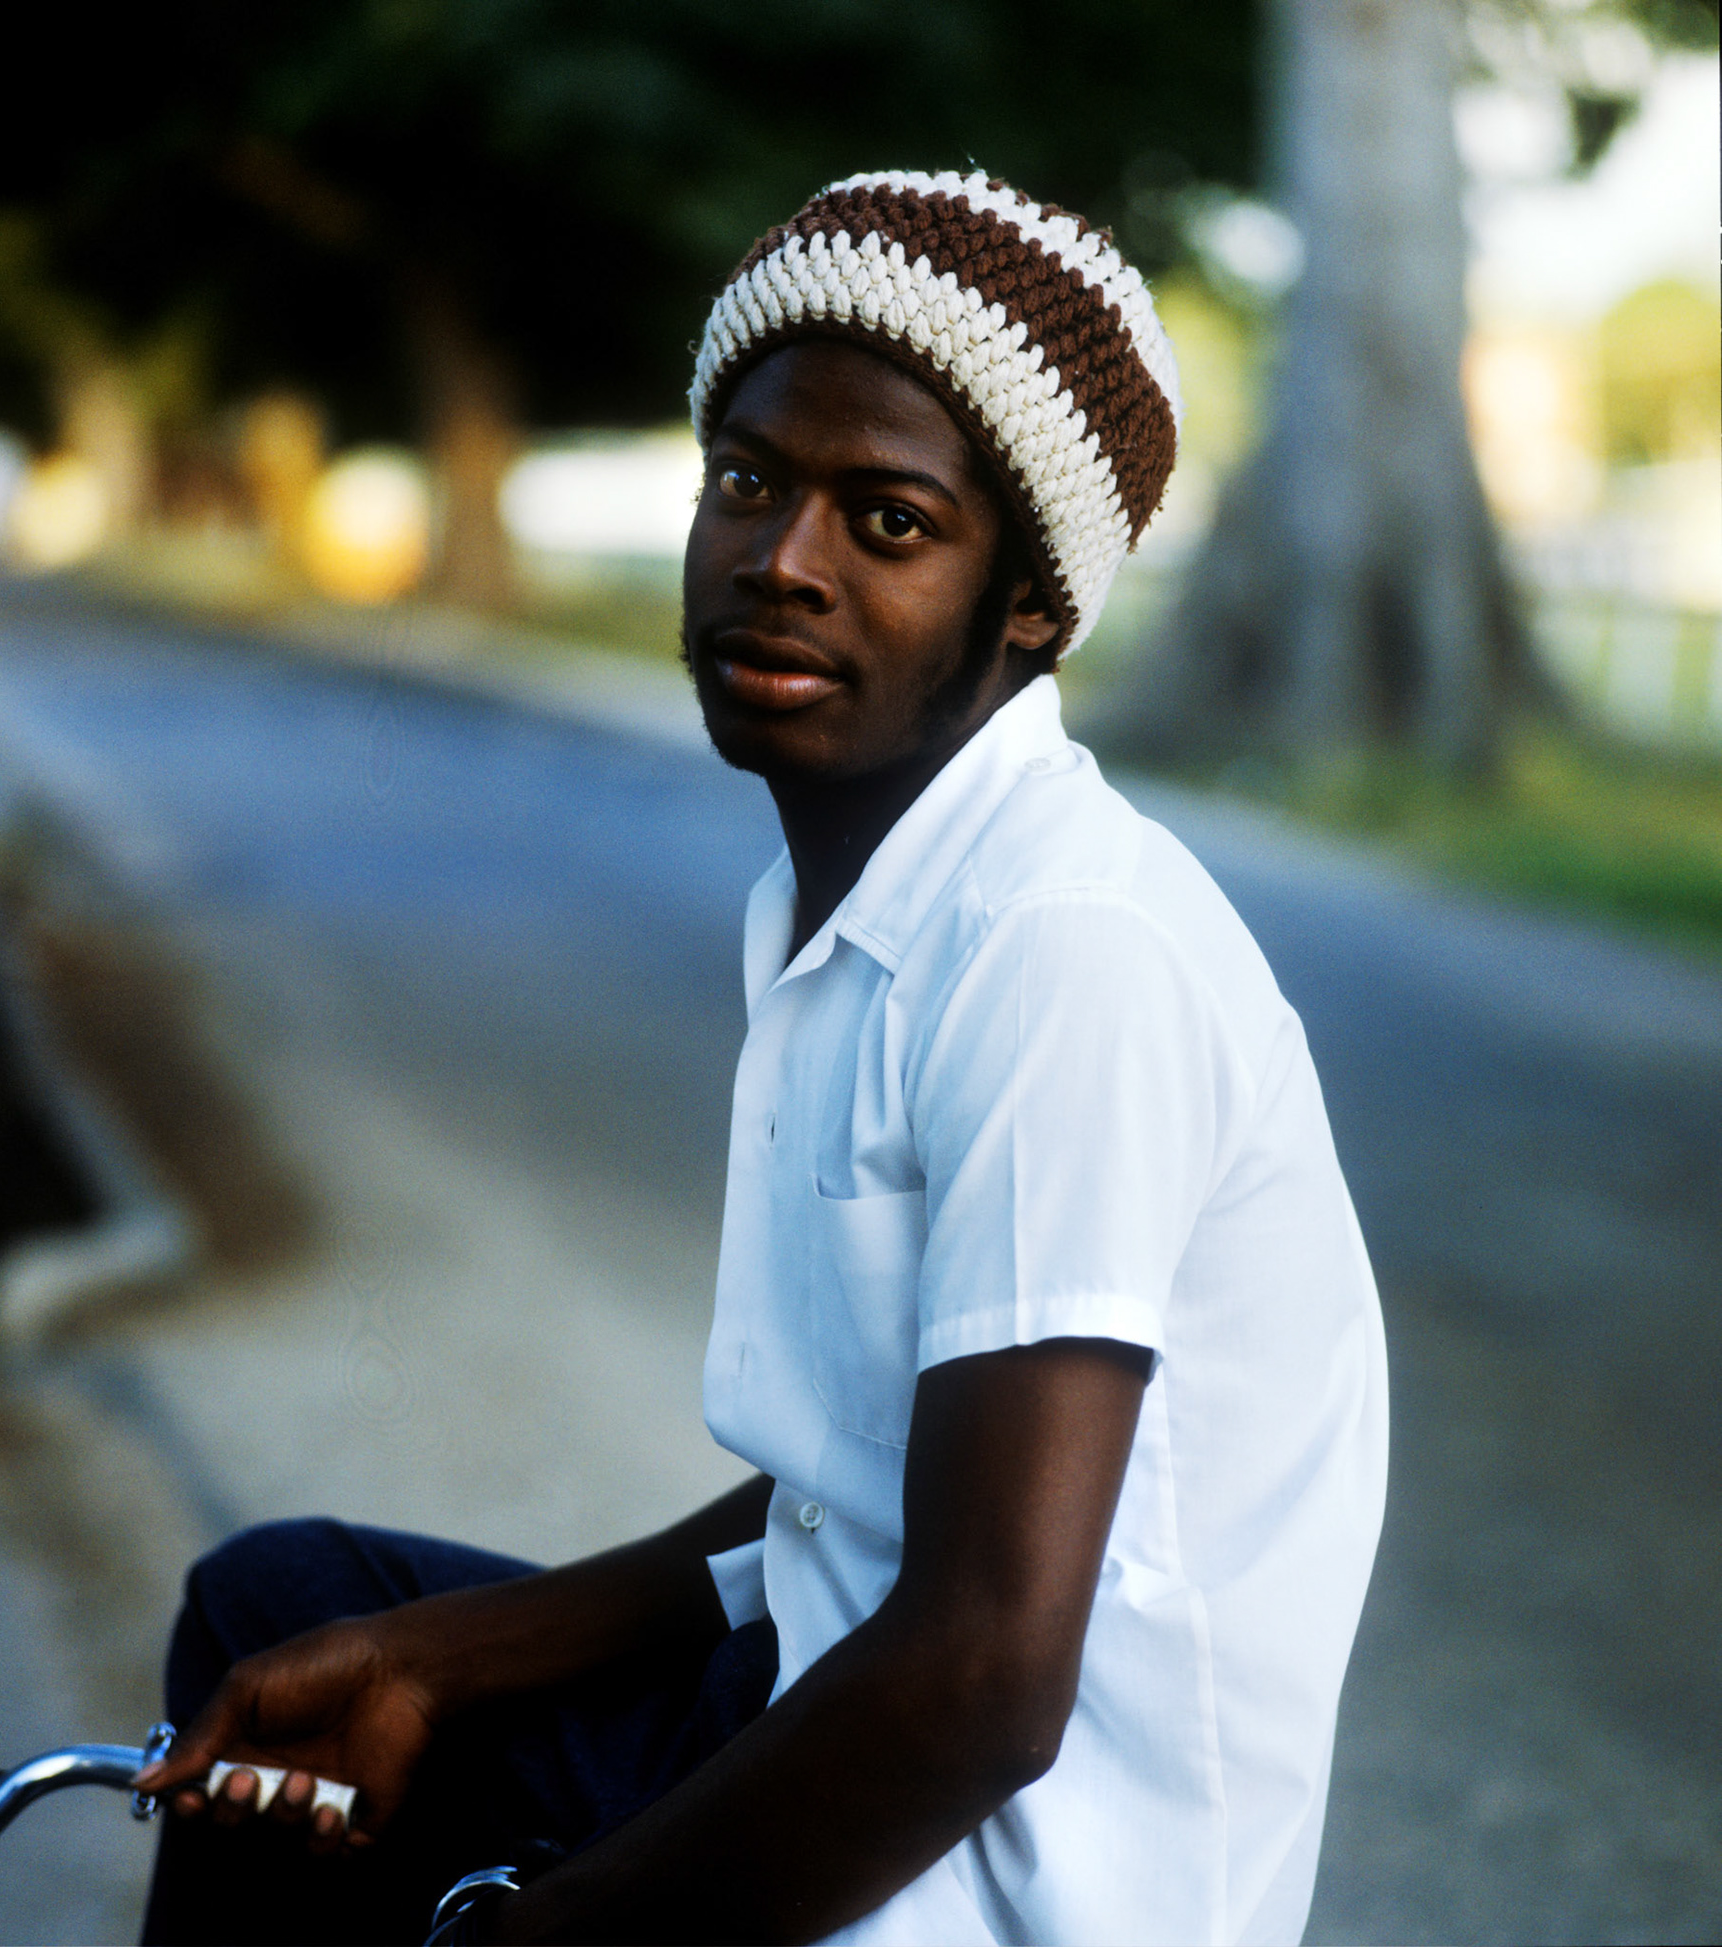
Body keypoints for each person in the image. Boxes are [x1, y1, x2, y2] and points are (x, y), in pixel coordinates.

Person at [134, 169, 1387, 1947]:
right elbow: (849, 1487)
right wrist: (434, 1654)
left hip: (1003, 1882)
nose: (782, 560)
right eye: (746, 480)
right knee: (290, 1629)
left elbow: (979, 1683)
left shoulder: (1063, 954)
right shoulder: (868, 904)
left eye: (887, 522)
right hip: (821, 1687)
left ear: (1031, 600)